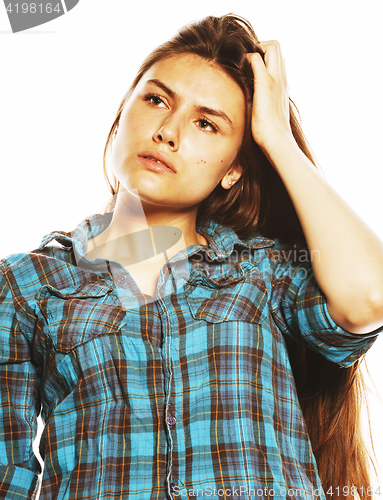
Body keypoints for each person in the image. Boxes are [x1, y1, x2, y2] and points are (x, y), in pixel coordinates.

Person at [0, 13, 382, 500]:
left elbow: (369, 298)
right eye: (156, 100)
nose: (168, 131)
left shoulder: (263, 271)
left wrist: (278, 138)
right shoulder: (27, 285)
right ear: (121, 118)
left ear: (233, 168)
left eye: (206, 123)